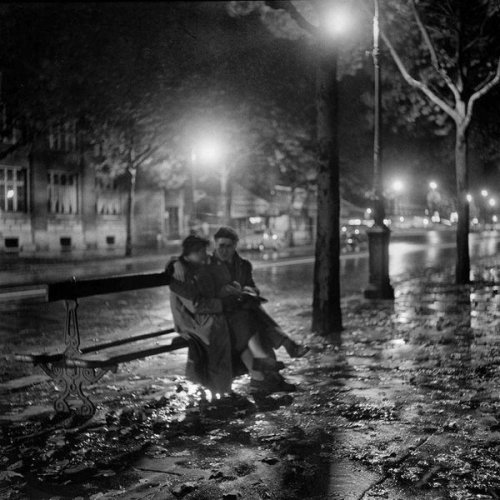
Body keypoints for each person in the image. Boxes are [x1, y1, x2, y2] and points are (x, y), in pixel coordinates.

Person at [208, 226, 309, 394]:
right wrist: (226, 291)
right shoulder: (209, 266)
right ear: (215, 245)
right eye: (221, 246)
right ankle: (285, 347)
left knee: (253, 318)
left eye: (229, 246)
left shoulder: (243, 265)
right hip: (222, 314)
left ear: (235, 246)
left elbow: (252, 286)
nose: (224, 250)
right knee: (254, 320)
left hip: (242, 312)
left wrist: (250, 290)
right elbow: (207, 293)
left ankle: (267, 377)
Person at [166, 235, 234, 396]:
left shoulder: (196, 266)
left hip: (202, 317)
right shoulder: (181, 270)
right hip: (190, 320)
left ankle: (222, 389)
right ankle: (218, 389)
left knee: (227, 324)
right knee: (216, 329)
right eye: (203, 251)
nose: (206, 254)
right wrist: (222, 305)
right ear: (193, 252)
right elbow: (195, 304)